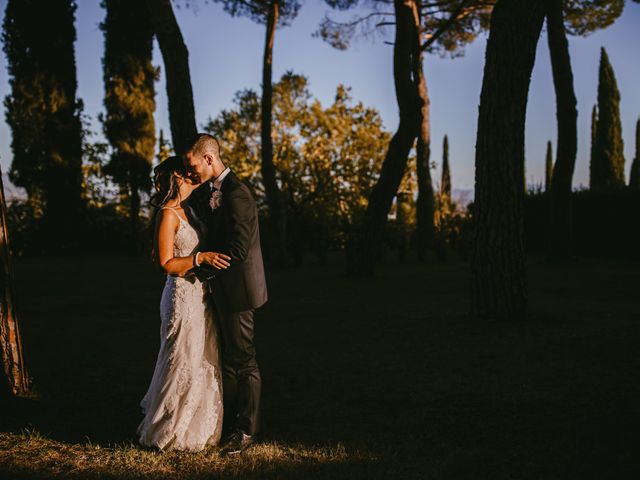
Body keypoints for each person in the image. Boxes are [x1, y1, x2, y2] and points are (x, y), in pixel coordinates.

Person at [136, 156, 231, 451]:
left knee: (202, 355)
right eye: (186, 173)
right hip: (180, 295)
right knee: (180, 356)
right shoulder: (168, 214)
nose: (192, 176)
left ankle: (197, 426)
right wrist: (199, 258)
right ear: (175, 178)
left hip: (200, 294)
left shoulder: (190, 210)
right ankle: (166, 427)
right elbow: (166, 262)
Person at [184, 134, 268, 456]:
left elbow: (238, 248)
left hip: (239, 290)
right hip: (224, 287)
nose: (191, 171)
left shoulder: (237, 194)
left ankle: (247, 431)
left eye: (193, 165)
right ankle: (230, 422)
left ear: (208, 159)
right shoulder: (214, 192)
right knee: (230, 360)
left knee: (244, 360)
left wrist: (199, 271)